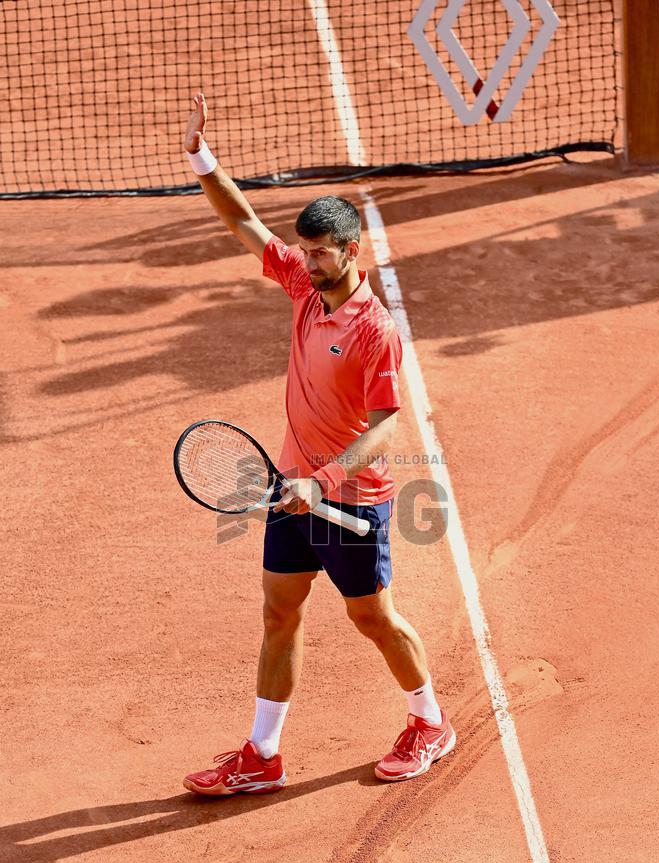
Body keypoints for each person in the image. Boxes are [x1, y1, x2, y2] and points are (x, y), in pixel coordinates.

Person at [181, 93, 455, 795]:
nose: (306, 262)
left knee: (371, 616)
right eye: (303, 251)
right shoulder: (305, 288)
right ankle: (263, 754)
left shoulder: (374, 331)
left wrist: (324, 479)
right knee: (279, 612)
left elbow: (386, 425)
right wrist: (201, 157)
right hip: (291, 489)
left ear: (351, 251)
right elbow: (244, 222)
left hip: (349, 498)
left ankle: (430, 722)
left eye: (320, 253)